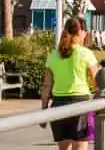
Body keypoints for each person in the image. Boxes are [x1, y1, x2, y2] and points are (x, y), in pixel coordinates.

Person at [41, 17, 99, 150]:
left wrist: (43, 112)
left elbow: (47, 87)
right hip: (81, 104)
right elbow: (96, 83)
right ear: (80, 32)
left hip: (58, 104)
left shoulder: (53, 55)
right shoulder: (86, 54)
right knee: (80, 147)